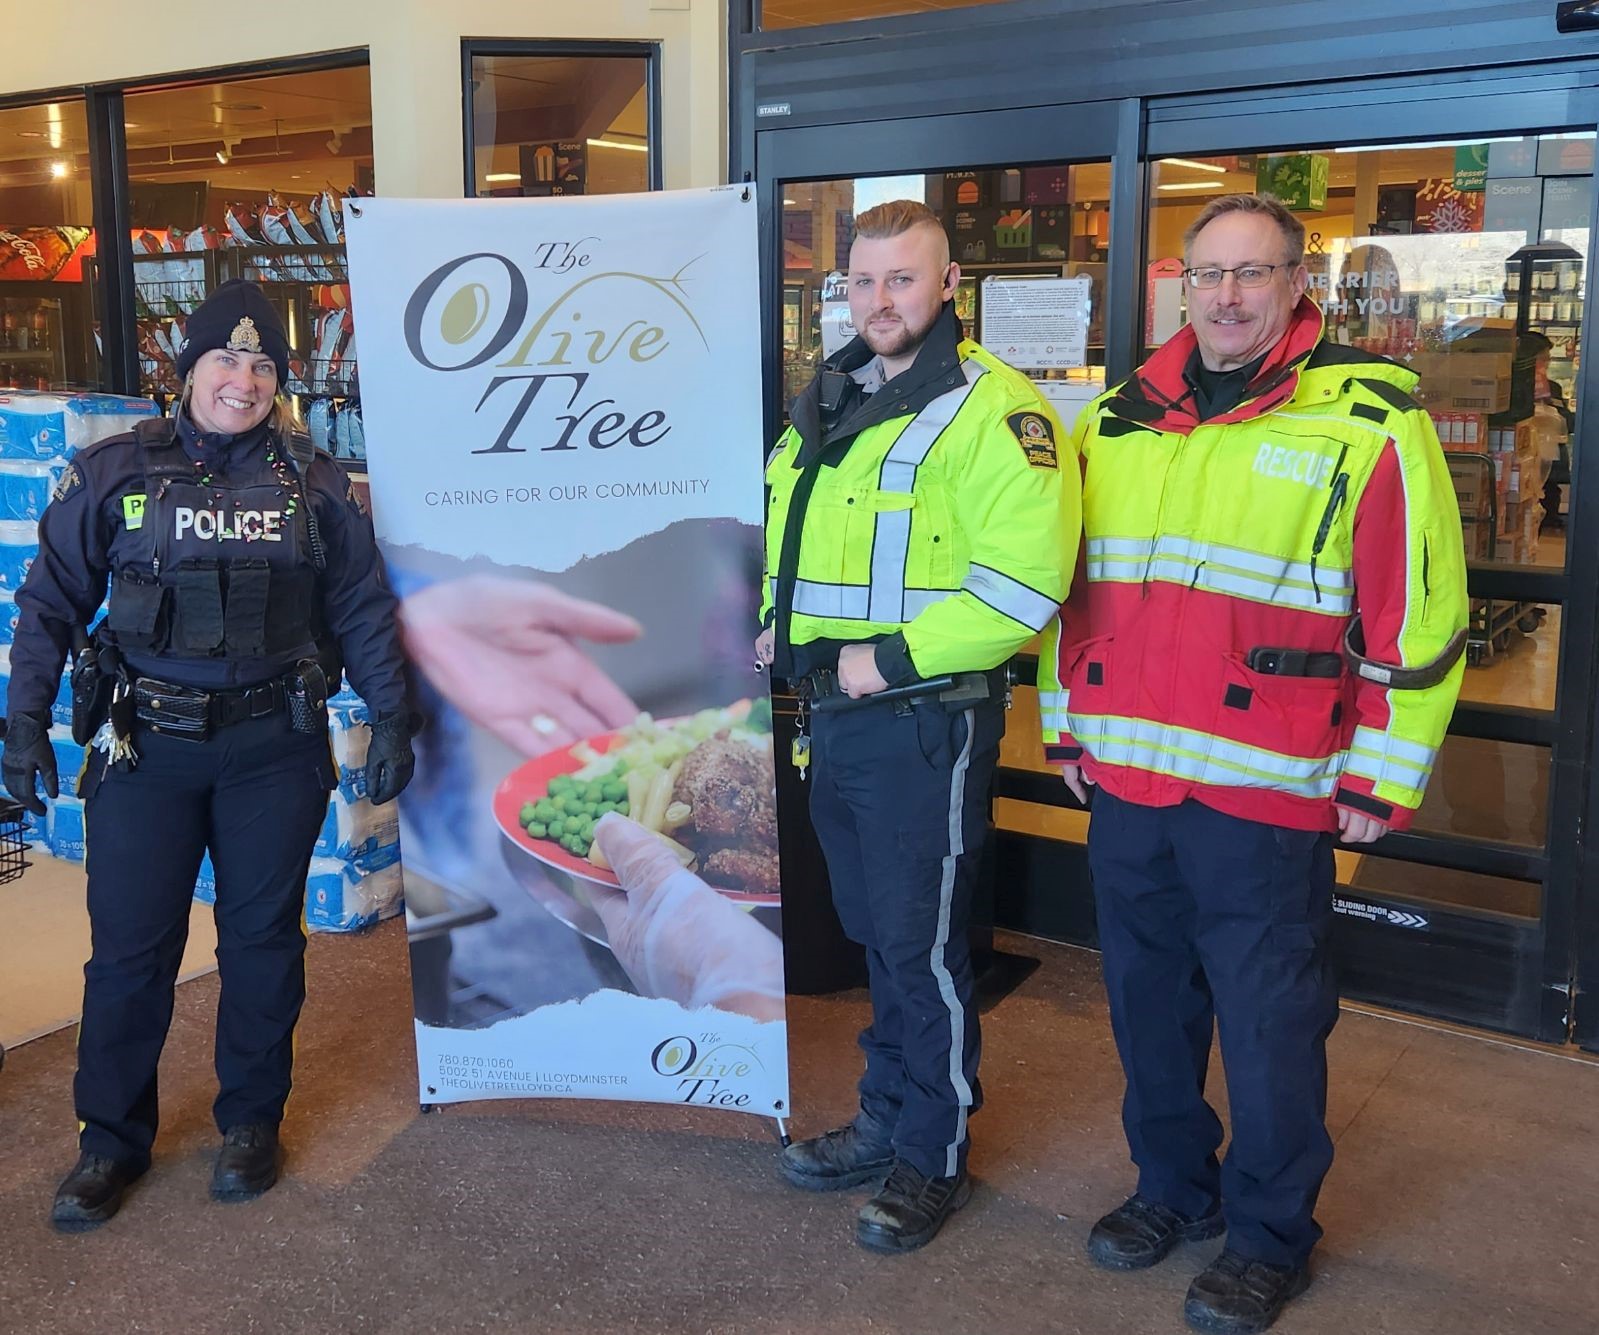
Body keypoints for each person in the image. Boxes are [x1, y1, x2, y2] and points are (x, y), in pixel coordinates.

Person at [1045, 194, 1467, 1333]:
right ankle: (1172, 1189)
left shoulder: (1369, 419)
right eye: (1211, 273)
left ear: (1296, 287)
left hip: (1270, 788)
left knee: (1272, 1026)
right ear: (1184, 285)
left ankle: (1270, 1235)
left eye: (1253, 273)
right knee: (1145, 1009)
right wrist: (1065, 726)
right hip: (1129, 778)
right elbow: (1072, 594)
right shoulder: (1120, 419)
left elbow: (1417, 612)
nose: (1229, 295)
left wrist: (1383, 776)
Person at [2, 280, 415, 1233]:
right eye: (225, 359)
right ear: (185, 368)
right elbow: (50, 601)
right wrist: (24, 721)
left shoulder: (314, 486)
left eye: (264, 363)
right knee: (130, 953)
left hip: (274, 748)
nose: (244, 378)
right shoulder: (111, 471)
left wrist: (393, 716)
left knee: (263, 943)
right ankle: (108, 1139)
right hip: (146, 748)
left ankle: (249, 1123)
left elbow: (360, 605)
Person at [758, 199, 1080, 1253]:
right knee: (878, 936)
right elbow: (794, 535)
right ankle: (886, 1117)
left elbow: (1025, 584)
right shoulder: (837, 393)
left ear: (949, 287)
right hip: (838, 722)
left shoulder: (997, 411)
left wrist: (884, 659)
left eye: (904, 279)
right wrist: (778, 623)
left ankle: (932, 1155)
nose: (881, 300)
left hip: (920, 722)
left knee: (923, 948)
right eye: (864, 281)